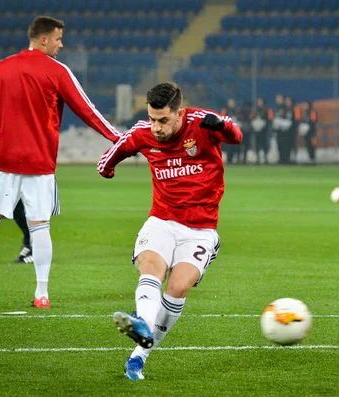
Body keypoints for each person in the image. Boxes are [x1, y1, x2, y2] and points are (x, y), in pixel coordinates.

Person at [0, 16, 122, 308]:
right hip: (39, 165)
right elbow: (87, 109)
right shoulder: (57, 71)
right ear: (43, 39)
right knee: (40, 227)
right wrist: (118, 139)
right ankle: (41, 294)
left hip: (2, 162)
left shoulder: (1, 68)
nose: (62, 44)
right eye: (58, 39)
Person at [97, 82, 242, 380]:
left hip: (201, 229)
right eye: (152, 119)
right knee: (151, 268)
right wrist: (109, 167)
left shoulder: (202, 123)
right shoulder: (142, 133)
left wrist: (223, 125)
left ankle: (138, 357)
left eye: (163, 120)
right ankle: (142, 323)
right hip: (162, 220)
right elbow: (107, 159)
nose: (156, 127)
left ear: (179, 113)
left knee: (178, 287)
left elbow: (235, 135)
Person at [252, 97, 273, 164]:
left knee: (265, 144)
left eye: (260, 101)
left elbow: (270, 119)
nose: (259, 103)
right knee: (257, 145)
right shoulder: (255, 110)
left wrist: (264, 123)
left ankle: (266, 158)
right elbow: (251, 118)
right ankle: (257, 158)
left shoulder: (268, 109)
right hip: (257, 131)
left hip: (265, 131)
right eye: (258, 101)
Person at [220, 98, 242, 164]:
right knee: (228, 146)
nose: (231, 104)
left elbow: (241, 117)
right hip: (228, 131)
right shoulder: (225, 110)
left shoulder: (237, 110)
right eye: (230, 102)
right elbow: (221, 118)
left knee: (236, 145)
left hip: (235, 130)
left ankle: (236, 159)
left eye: (232, 102)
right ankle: (229, 159)